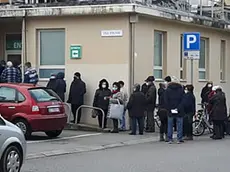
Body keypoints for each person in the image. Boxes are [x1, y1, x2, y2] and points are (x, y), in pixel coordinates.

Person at [164, 76, 184, 144]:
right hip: (179, 110)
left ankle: (170, 139)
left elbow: (166, 101)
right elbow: (182, 101)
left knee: (170, 125)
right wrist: (178, 108)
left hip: (170, 110)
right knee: (179, 125)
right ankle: (179, 138)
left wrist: (170, 108)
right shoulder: (181, 89)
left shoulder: (167, 90)